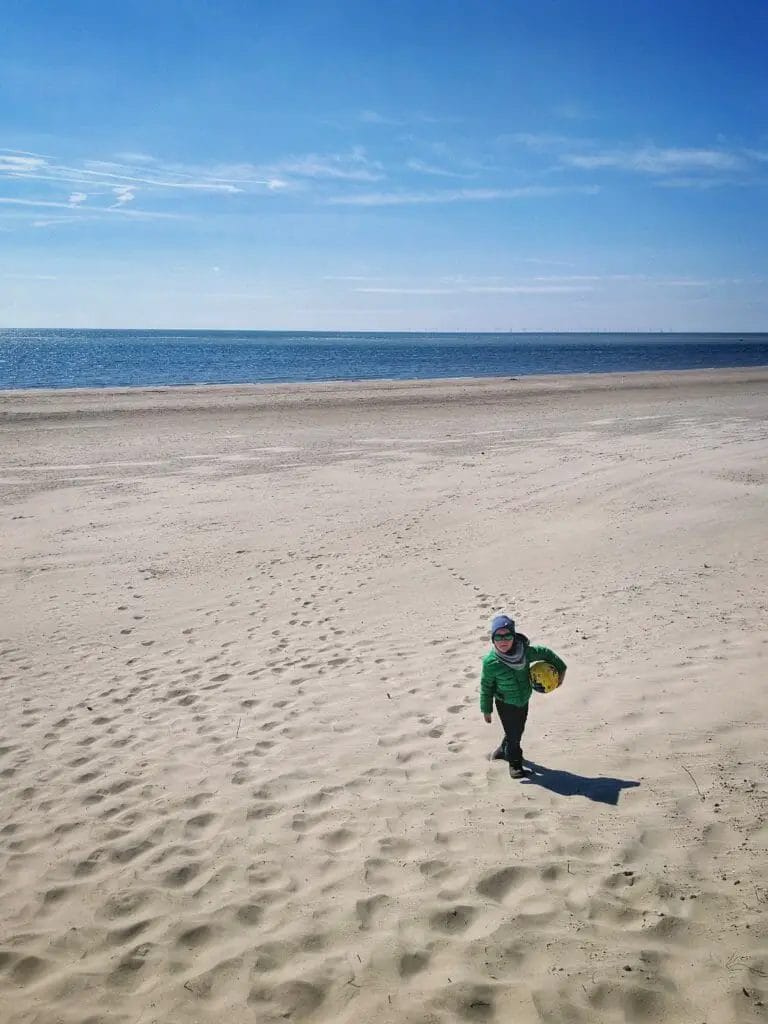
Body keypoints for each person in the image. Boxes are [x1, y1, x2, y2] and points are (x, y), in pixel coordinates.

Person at [480, 614, 566, 779]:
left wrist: (561, 670)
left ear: (514, 637)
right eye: (498, 636)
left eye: (507, 636)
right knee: (514, 735)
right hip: (504, 702)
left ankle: (502, 750)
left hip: (523, 699)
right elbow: (486, 687)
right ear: (492, 639)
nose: (503, 640)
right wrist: (486, 709)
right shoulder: (490, 663)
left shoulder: (525, 653)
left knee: (517, 729)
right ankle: (515, 763)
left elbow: (546, 653)